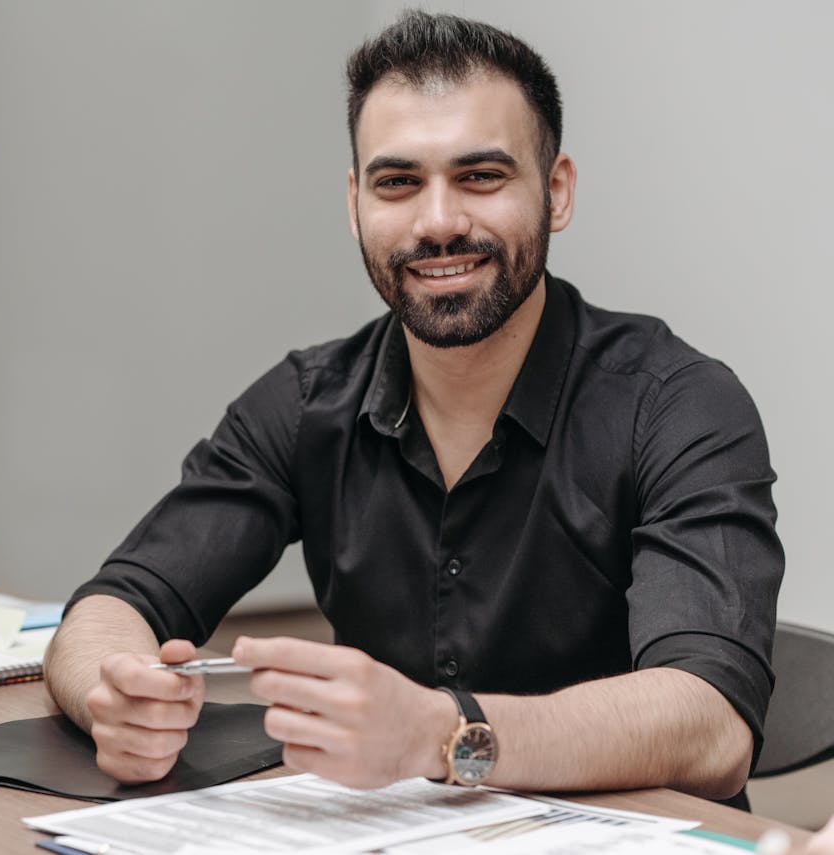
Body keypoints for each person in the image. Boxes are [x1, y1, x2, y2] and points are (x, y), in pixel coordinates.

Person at [44, 10, 782, 806]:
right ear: (355, 202)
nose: (438, 223)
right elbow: (111, 605)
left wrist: (441, 733)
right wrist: (111, 696)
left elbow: (712, 727)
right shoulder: (305, 401)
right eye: (399, 182)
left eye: (481, 176)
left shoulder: (678, 404)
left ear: (556, 191)